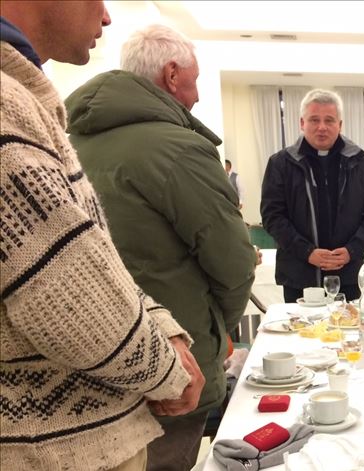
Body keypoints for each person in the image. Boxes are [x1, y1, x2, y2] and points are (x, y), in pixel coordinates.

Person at [0, 3, 204, 471]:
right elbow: (67, 299)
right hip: (60, 447)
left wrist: (163, 327)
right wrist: (173, 372)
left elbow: (92, 258)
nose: (108, 16)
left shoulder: (31, 100)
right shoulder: (7, 106)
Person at [65, 24, 256, 471]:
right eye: (194, 80)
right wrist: (217, 332)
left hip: (90, 358)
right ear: (172, 75)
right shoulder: (178, 149)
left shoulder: (69, 143)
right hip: (171, 359)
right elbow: (233, 263)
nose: (196, 96)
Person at [261, 89, 364, 302]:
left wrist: (352, 250)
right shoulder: (281, 163)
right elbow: (273, 217)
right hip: (299, 275)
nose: (322, 127)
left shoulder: (359, 162)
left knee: (348, 333)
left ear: (340, 124)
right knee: (301, 334)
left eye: (329, 120)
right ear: (302, 123)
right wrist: (307, 252)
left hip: (348, 273)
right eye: (314, 120)